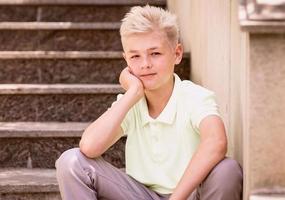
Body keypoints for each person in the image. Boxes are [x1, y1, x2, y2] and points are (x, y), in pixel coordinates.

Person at [55, 5, 243, 200]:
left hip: (189, 196)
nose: (145, 64)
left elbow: (216, 141)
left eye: (155, 53)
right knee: (71, 161)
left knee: (227, 170)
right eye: (135, 56)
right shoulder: (130, 103)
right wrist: (132, 93)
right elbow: (89, 146)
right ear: (126, 60)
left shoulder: (194, 96)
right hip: (140, 196)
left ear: (177, 54)